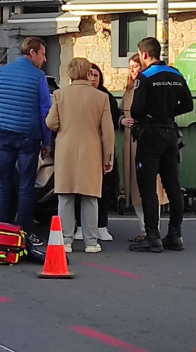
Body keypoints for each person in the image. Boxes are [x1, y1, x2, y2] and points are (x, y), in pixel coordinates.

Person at [0, 37, 52, 252]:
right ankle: (24, 234)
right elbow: (45, 111)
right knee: (26, 185)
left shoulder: (2, 72)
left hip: (3, 134)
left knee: (3, 183)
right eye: (42, 54)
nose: (44, 59)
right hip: (27, 136)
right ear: (32, 52)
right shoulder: (38, 77)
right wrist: (47, 141)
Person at [129, 37, 194, 253]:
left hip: (150, 135)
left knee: (148, 187)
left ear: (144, 54)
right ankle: (175, 234)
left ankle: (153, 236)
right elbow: (188, 104)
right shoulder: (176, 74)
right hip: (170, 134)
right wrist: (167, 113)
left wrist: (151, 114)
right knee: (173, 185)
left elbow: (136, 110)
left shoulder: (145, 77)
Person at [46, 57, 114, 253]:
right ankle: (91, 242)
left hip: (65, 149)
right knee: (90, 197)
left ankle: (66, 240)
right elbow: (108, 131)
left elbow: (51, 122)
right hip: (92, 151)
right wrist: (107, 157)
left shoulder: (60, 95)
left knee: (65, 197)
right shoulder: (101, 97)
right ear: (87, 73)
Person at [119, 54, 168, 242]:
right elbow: (120, 112)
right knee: (135, 187)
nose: (133, 70)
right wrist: (123, 120)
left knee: (150, 187)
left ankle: (152, 228)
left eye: (136, 66)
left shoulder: (149, 86)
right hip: (130, 142)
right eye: (130, 67)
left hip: (148, 139)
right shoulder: (129, 90)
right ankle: (143, 227)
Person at [87, 63, 120, 241]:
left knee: (103, 189)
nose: (92, 79)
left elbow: (112, 123)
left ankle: (101, 225)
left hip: (102, 148)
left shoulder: (107, 97)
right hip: (85, 148)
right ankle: (80, 225)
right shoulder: (80, 95)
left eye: (96, 75)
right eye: (89, 75)